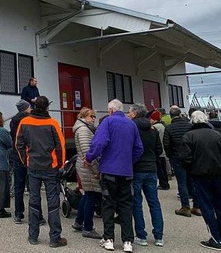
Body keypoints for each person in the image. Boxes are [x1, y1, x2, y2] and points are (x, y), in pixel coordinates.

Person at [85, 99, 143, 253]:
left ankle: (109, 238)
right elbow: (138, 148)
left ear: (110, 110)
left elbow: (99, 143)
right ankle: (128, 241)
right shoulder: (132, 124)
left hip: (109, 170)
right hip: (126, 172)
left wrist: (89, 157)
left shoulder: (108, 122)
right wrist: (128, 161)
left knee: (108, 204)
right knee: (126, 206)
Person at [16, 96, 67, 248]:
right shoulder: (52, 123)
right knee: (52, 202)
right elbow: (61, 146)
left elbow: (18, 144)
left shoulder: (24, 122)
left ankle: (33, 236)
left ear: (33, 106)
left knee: (33, 200)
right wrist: (60, 165)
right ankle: (55, 238)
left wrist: (26, 161)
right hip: (50, 167)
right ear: (46, 108)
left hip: (33, 167)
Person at [180, 111, 221, 250]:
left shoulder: (189, 136)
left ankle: (216, 239)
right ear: (206, 120)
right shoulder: (218, 135)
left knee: (206, 207)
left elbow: (185, 158)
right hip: (217, 175)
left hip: (200, 176)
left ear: (192, 121)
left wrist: (191, 170)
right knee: (220, 206)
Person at [128, 105, 164, 248]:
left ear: (135, 114)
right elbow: (159, 149)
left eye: (130, 112)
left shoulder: (131, 128)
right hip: (151, 168)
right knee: (154, 203)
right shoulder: (152, 129)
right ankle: (159, 237)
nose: (128, 114)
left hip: (136, 169)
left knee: (136, 203)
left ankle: (141, 236)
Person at [163, 106, 199, 217]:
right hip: (190, 157)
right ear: (180, 114)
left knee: (182, 183)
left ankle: (185, 207)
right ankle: (197, 206)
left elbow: (166, 144)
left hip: (177, 156)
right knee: (192, 181)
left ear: (171, 116)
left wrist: (170, 156)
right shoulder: (189, 126)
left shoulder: (169, 128)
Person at [72, 107, 102, 240]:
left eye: (94, 116)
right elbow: (86, 152)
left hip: (84, 166)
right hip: (87, 167)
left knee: (88, 194)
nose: (93, 119)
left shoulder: (83, 128)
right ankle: (88, 227)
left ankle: (79, 222)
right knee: (91, 196)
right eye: (91, 116)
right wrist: (96, 171)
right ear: (83, 117)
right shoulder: (84, 130)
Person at [10, 99, 32, 224]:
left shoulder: (14, 121)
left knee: (19, 186)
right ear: (26, 108)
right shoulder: (29, 120)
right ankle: (37, 215)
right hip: (29, 155)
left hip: (17, 155)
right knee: (32, 187)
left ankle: (19, 214)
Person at [149, 111, 170, 190]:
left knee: (160, 169)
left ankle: (163, 183)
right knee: (163, 168)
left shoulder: (155, 127)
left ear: (154, 120)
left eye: (151, 119)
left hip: (158, 151)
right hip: (163, 150)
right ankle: (165, 182)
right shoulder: (163, 126)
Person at [208, 110, 221, 185]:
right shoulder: (220, 123)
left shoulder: (208, 125)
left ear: (209, 116)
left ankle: (215, 177)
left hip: (211, 144)